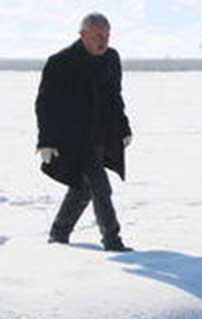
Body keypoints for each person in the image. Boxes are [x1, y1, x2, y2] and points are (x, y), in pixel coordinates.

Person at [36, 12, 133, 252]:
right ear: (83, 35)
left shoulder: (111, 58)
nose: (104, 40)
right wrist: (46, 141)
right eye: (98, 35)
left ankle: (59, 233)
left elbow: (115, 97)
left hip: (101, 135)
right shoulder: (60, 62)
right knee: (100, 186)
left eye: (107, 35)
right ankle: (112, 240)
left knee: (83, 188)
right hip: (73, 138)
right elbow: (45, 104)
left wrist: (124, 127)